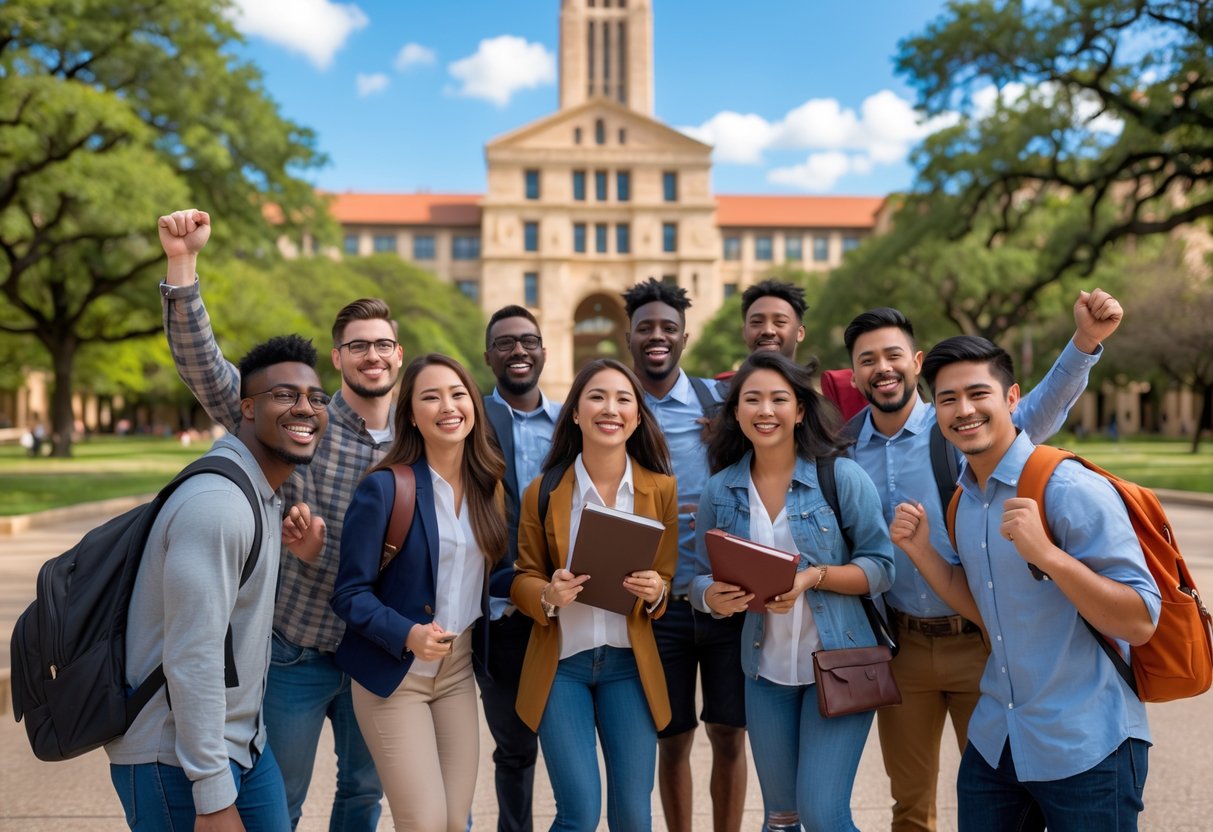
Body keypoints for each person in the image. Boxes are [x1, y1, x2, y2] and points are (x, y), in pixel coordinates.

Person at [843, 290, 1122, 832]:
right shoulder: (842, 448)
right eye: (867, 359)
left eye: (893, 355)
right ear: (853, 373)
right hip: (902, 648)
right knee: (911, 806)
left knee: (1011, 803)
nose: (883, 368)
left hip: (983, 643)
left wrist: (1085, 343)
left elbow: (1039, 406)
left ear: (916, 363)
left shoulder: (961, 426)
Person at [159, 208, 393, 830]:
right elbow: (206, 370)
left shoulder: (419, 440)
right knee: (277, 801)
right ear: (339, 357)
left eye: (384, 344)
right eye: (359, 346)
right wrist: (184, 269)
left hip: (372, 655)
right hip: (297, 649)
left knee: (363, 796)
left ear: (399, 356)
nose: (373, 355)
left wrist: (324, 553)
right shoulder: (302, 418)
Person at [892, 336, 1159, 832]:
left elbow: (1140, 619)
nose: (963, 410)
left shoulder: (1069, 488)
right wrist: (921, 552)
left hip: (1088, 744)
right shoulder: (963, 502)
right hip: (998, 739)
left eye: (978, 394)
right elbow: (983, 608)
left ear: (1012, 398)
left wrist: (1048, 556)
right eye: (948, 399)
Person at [106, 334, 331, 830]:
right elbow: (194, 654)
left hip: (244, 745)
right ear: (246, 408)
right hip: (176, 758)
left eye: (316, 398)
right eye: (284, 395)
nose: (305, 408)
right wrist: (210, 791)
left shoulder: (262, 493)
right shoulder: (219, 505)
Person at [692, 351, 895, 832]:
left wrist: (815, 576)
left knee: (823, 814)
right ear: (736, 412)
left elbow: (882, 567)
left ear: (800, 410)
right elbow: (701, 574)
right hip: (765, 674)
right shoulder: (720, 490)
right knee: (781, 818)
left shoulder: (839, 477)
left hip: (840, 666)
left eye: (779, 399)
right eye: (752, 399)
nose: (765, 410)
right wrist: (709, 597)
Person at [331, 353, 508, 832]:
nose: (448, 406)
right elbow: (349, 593)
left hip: (456, 672)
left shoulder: (487, 485)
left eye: (458, 394)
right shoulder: (386, 489)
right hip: (395, 675)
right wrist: (407, 632)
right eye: (431, 396)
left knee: (454, 820)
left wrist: (546, 587)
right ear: (410, 413)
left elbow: (491, 576)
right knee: (424, 821)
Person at [511, 358, 678, 832]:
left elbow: (664, 583)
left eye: (624, 399)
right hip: (563, 667)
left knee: (633, 815)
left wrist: (655, 590)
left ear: (638, 416)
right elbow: (522, 575)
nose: (612, 408)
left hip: (630, 667)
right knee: (579, 814)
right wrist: (547, 594)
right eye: (597, 397)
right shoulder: (543, 492)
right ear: (577, 414)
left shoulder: (660, 489)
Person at [621, 278, 746, 832]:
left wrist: (732, 433)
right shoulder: (613, 405)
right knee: (671, 739)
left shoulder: (719, 404)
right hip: (656, 603)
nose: (657, 336)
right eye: (646, 327)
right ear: (629, 337)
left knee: (728, 734)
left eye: (667, 328)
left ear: (684, 337)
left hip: (724, 596)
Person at [479, 305, 563, 832]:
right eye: (505, 343)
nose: (518, 351)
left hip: (567, 606)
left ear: (543, 351)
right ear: (488, 356)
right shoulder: (471, 420)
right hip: (500, 610)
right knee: (513, 750)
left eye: (528, 341)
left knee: (569, 746)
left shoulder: (572, 423)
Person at [740, 279, 807, 360]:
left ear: (800, 333)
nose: (768, 331)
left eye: (780, 322)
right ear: (744, 332)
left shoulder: (822, 373)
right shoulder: (730, 373)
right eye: (757, 322)